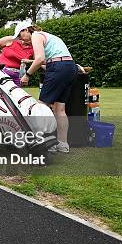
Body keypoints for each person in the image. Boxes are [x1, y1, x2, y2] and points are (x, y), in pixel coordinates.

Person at [19, 24, 79, 154]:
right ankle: (62, 144)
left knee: (41, 107)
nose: (22, 40)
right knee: (60, 109)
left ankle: (45, 144)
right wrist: (33, 63)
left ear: (26, 30)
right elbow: (47, 63)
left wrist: (27, 75)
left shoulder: (36, 35)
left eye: (21, 35)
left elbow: (40, 59)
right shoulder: (49, 36)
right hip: (70, 67)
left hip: (59, 67)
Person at [0, 21, 35, 86]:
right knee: (1, 94)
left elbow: (37, 62)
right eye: (19, 36)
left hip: (18, 75)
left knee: (16, 95)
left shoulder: (34, 47)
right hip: (2, 72)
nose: (20, 38)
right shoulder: (11, 40)